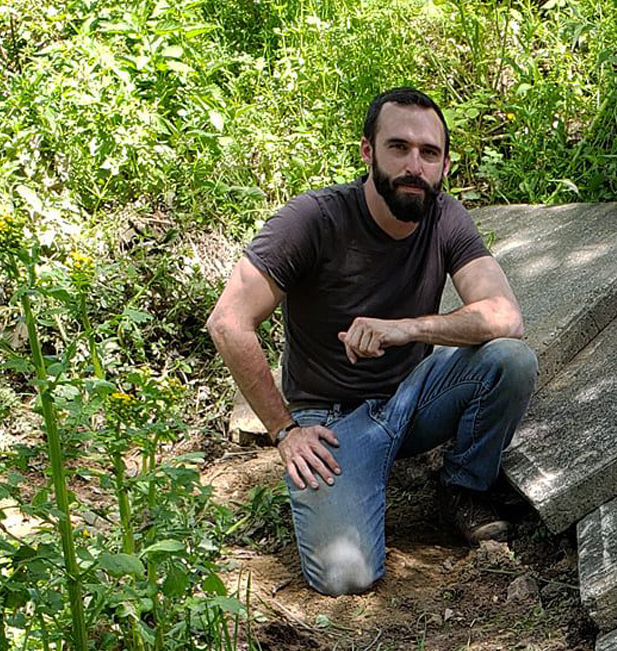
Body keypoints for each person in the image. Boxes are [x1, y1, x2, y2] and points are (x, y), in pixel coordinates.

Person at [206, 87, 537, 596]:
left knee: (510, 361)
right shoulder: (312, 220)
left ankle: (462, 487)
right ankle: (355, 482)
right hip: (329, 421)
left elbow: (504, 316)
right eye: (398, 147)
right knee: (346, 576)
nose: (414, 165)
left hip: (411, 400)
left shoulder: (445, 217)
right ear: (368, 152)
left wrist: (405, 328)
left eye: (429, 153)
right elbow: (229, 322)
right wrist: (284, 431)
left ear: (445, 165)